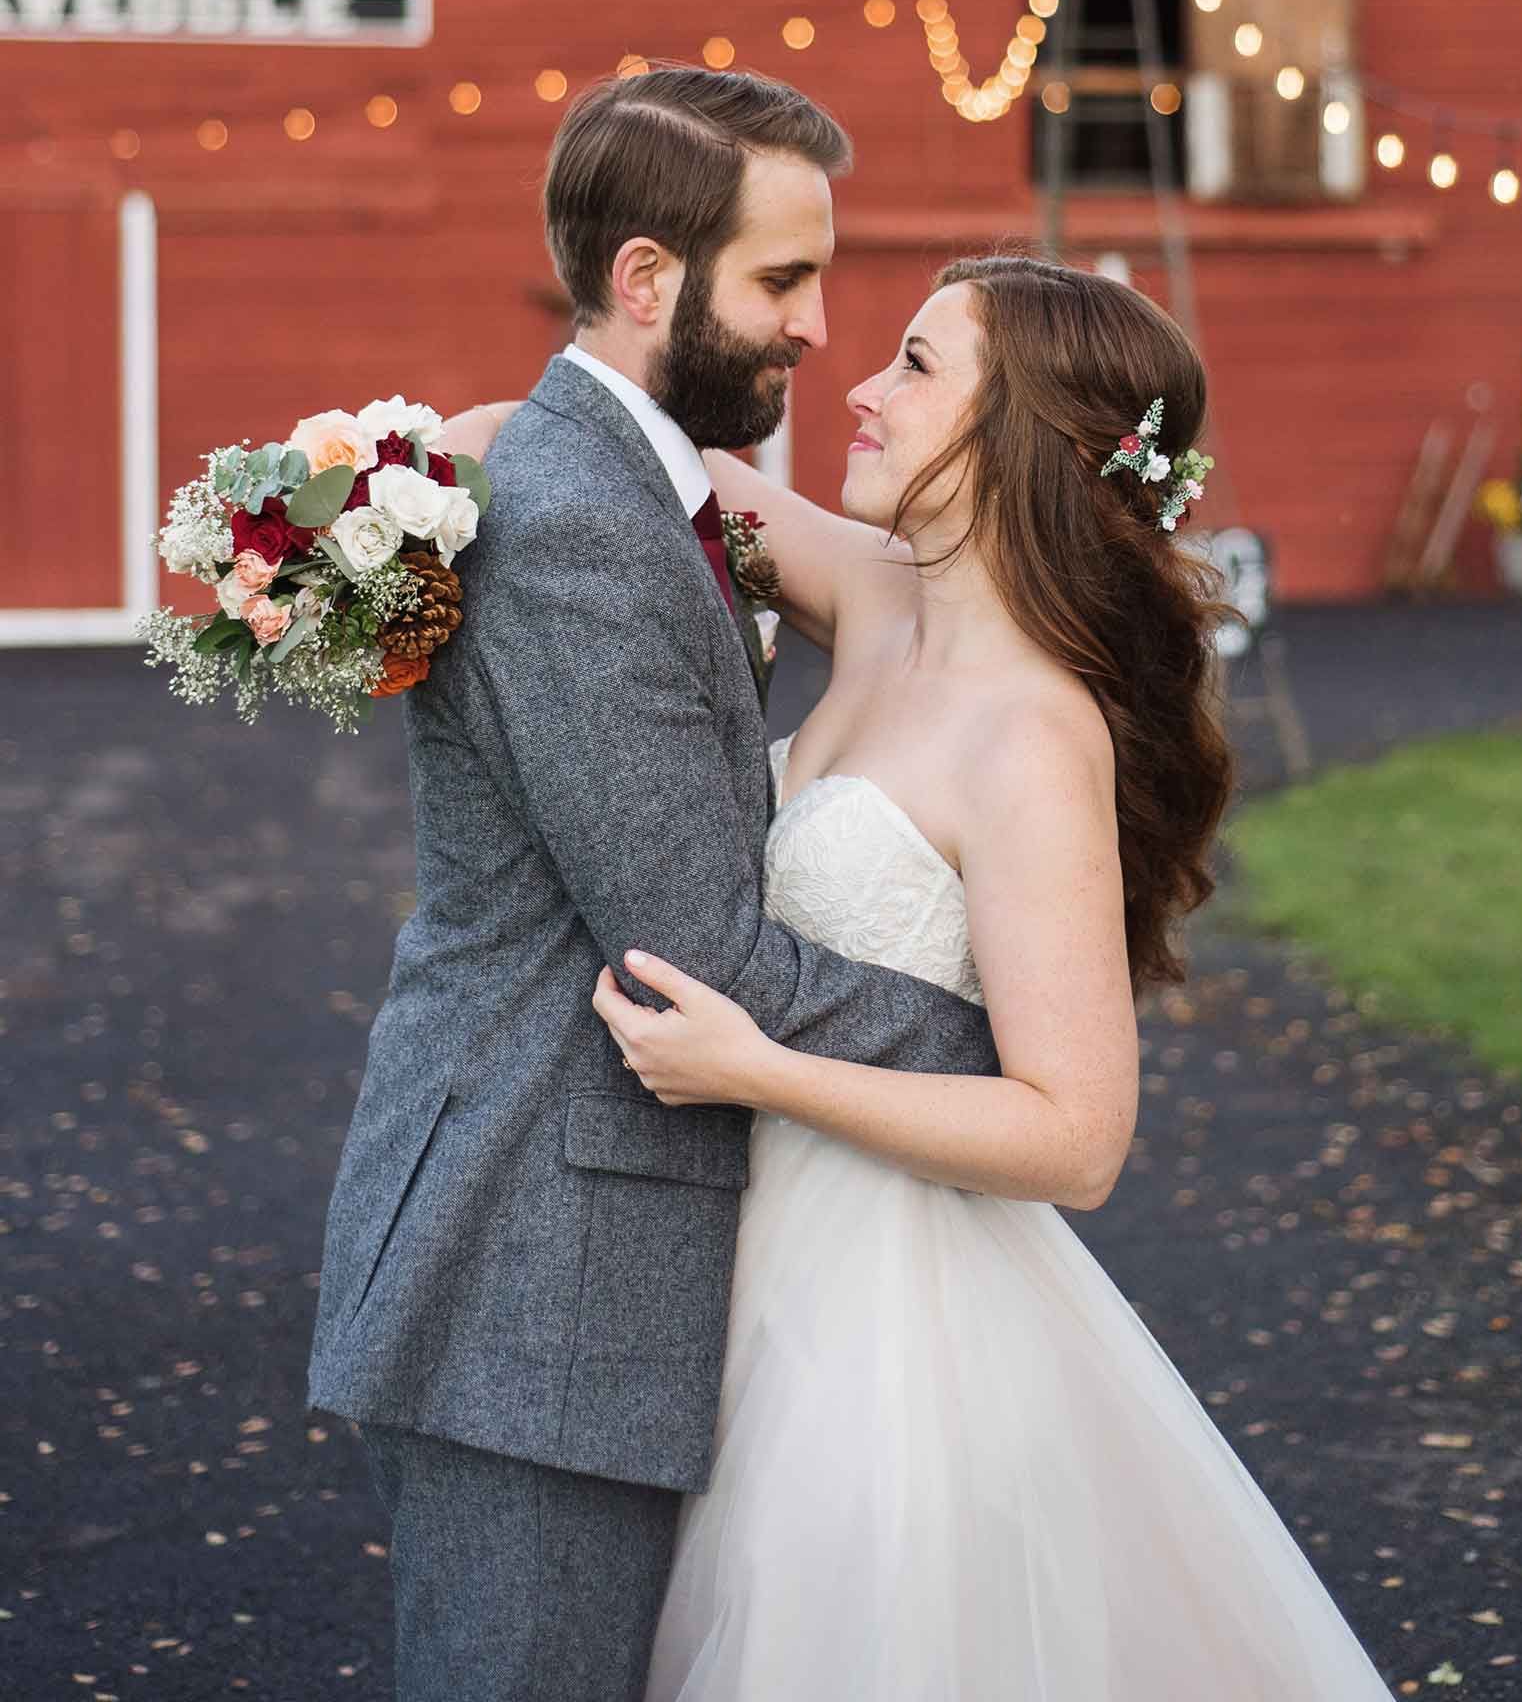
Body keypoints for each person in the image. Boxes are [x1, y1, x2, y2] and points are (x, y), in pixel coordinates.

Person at [454, 249, 1393, 1698]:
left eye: (914, 366)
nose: (865, 392)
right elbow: (625, 466)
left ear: (1018, 435)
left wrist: (756, 1068)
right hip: (724, 1245)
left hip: (884, 1313)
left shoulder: (1030, 739)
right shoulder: (878, 594)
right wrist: (382, 470)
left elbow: (1077, 1136)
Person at [306, 67, 1000, 1702]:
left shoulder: (637, 489)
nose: (819, 326)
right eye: (782, 280)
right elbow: (692, 947)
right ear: (645, 281)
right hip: (533, 1269)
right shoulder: (576, 525)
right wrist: (1003, 1062)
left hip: (576, 1257)